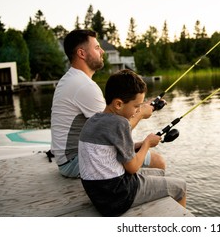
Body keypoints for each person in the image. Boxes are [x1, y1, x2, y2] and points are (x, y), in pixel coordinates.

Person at [50, 29, 165, 178]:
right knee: (158, 161)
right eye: (97, 47)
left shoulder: (71, 79)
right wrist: (141, 113)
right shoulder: (85, 86)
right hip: (74, 162)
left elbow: (111, 120)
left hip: (69, 158)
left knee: (140, 151)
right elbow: (114, 130)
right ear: (81, 53)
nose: (102, 51)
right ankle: (152, 194)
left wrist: (140, 106)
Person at [78, 69, 186, 216]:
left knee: (160, 173)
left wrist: (137, 145)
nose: (138, 111)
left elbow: (112, 150)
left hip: (100, 194)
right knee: (180, 187)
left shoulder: (93, 120)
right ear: (118, 104)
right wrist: (147, 143)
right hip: (118, 197)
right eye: (136, 106)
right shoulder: (120, 123)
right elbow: (133, 168)